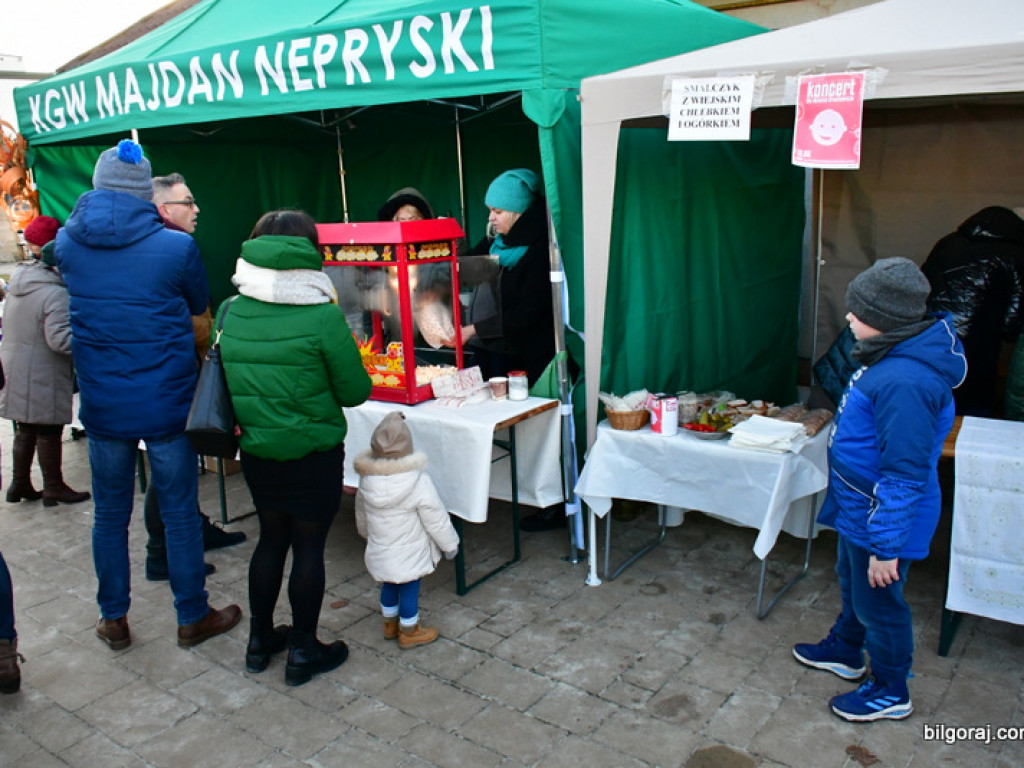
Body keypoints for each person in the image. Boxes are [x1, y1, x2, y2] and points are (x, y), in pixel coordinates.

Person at [55, 139, 241, 652]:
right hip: (165, 402)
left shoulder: (68, 246)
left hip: (103, 405)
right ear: (145, 192)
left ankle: (113, 617)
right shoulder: (175, 248)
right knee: (179, 514)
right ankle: (191, 615)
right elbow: (199, 302)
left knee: (110, 516)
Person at [792, 257, 966, 722]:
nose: (848, 317)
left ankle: (891, 687)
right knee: (854, 586)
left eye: (858, 311)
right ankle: (848, 650)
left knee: (881, 604)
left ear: (885, 320)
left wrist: (887, 547)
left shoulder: (907, 381)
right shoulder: (888, 357)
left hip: (885, 520)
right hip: (861, 511)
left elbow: (904, 473)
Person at [217, 209, 371, 685]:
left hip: (259, 452)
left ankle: (260, 640)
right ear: (310, 251)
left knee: (270, 540)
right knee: (308, 548)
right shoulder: (321, 314)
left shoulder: (230, 309)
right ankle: (303, 647)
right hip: (313, 453)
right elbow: (354, 391)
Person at [141, 173, 245, 582]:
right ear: (165, 209)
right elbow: (179, 320)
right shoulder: (165, 249)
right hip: (170, 376)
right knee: (170, 467)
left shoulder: (172, 245)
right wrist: (216, 330)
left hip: (182, 371)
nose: (197, 209)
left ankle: (189, 530)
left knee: (178, 466)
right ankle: (161, 552)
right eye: (189, 202)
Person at [0, 215, 90, 507]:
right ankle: (53, 487)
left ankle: (19, 484)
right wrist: (91, 340)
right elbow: (60, 340)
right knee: (48, 429)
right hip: (41, 369)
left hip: (16, 365)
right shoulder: (54, 292)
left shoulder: (20, 282)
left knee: (26, 427)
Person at [353, 411, 459, 650]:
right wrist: (449, 545)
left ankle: (389, 624)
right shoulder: (418, 481)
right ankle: (410, 630)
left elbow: (361, 512)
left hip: (381, 547)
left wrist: (365, 534)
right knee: (409, 589)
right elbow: (436, 517)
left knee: (388, 585)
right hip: (410, 551)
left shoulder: (367, 480)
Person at [921, 206, 1024, 416]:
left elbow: (920, 287)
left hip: (927, 334)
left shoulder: (949, 241)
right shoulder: (1016, 254)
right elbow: (1012, 323)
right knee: (971, 412)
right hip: (976, 347)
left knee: (927, 404)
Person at [456, 169, 555, 385]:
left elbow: (527, 313)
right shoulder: (497, 238)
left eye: (497, 211)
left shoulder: (541, 250)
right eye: (490, 210)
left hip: (528, 357)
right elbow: (469, 265)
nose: (491, 218)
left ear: (517, 212)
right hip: (491, 347)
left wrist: (472, 330)